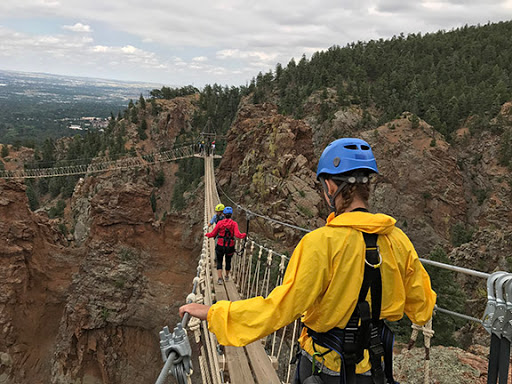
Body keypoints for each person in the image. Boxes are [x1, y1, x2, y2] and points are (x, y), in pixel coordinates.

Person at [180, 138, 436, 384]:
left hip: (323, 370)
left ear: (331, 187)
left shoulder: (320, 243)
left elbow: (279, 308)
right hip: (375, 369)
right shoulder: (398, 240)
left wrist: (215, 313)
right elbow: (422, 308)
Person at [205, 206, 246, 284]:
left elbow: (213, 233)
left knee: (219, 261)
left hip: (220, 245)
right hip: (230, 246)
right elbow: (238, 235)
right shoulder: (234, 224)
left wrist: (207, 234)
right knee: (228, 261)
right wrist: (244, 235)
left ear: (224, 214)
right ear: (231, 215)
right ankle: (226, 276)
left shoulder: (220, 223)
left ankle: (220, 279)